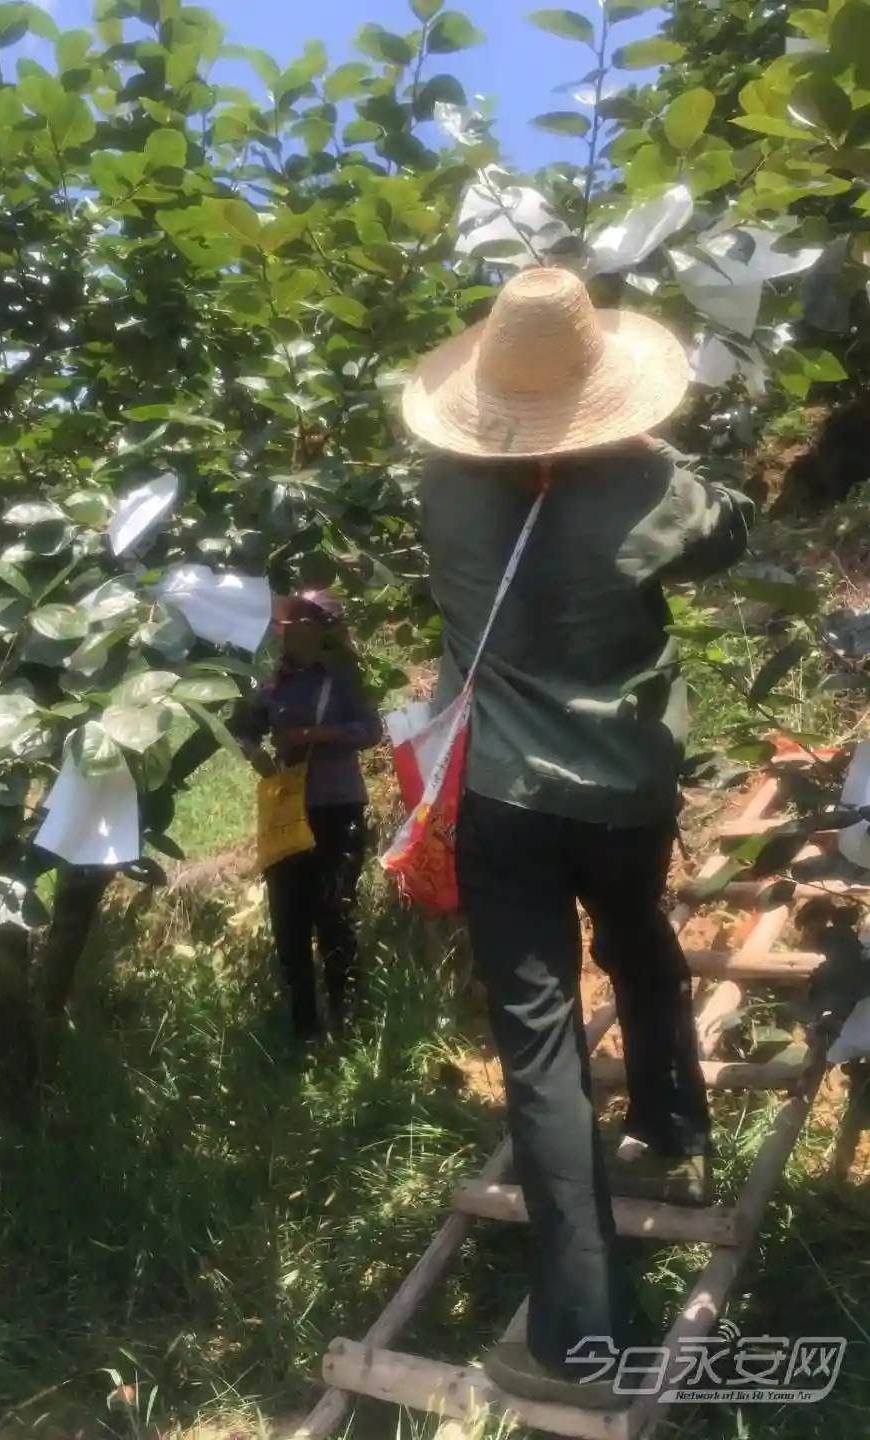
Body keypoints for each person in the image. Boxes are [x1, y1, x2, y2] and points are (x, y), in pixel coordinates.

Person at [400, 266, 753, 1410]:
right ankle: (671, 1127)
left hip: (501, 798)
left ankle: (580, 1335)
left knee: (540, 1043)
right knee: (640, 934)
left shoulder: (445, 486)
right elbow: (729, 534)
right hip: (625, 792)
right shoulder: (651, 481)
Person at [233, 591, 382, 1044]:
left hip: (337, 806)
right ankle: (305, 1032)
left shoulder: (344, 679)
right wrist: (257, 753)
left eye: (298, 624)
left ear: (320, 631)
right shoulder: (275, 683)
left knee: (335, 912)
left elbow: (370, 730)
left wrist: (318, 734)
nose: (287, 632)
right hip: (287, 809)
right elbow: (243, 728)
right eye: (286, 626)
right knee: (289, 920)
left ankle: (348, 1022)